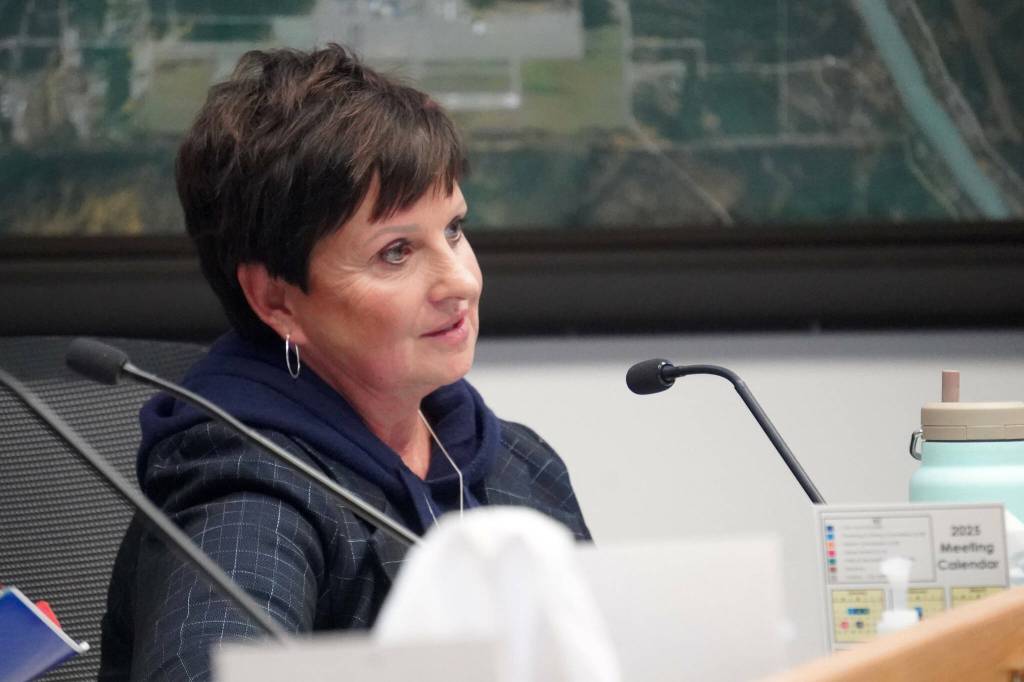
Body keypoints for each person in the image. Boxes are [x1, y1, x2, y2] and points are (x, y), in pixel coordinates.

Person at [98, 44, 590, 680]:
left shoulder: (522, 467)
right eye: (395, 253)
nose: (459, 282)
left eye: (454, 230)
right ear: (277, 299)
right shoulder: (246, 489)